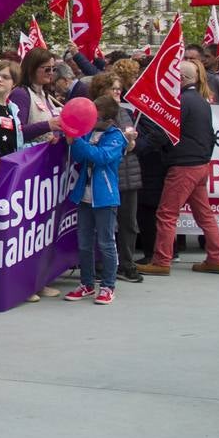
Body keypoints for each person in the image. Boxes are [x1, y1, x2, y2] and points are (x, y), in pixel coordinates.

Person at [138, 59, 219, 276]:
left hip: (183, 165)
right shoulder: (201, 101)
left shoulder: (180, 102)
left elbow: (163, 133)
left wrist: (138, 147)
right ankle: (217, 257)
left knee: (166, 213)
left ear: (180, 78)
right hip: (199, 163)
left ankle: (161, 260)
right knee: (204, 213)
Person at [64, 95, 127, 305]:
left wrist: (78, 139)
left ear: (108, 120)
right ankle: (87, 284)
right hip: (84, 195)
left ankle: (108, 286)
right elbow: (80, 157)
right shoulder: (88, 132)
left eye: (95, 118)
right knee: (84, 243)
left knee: (106, 243)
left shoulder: (116, 137)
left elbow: (100, 157)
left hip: (105, 198)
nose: (91, 121)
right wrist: (76, 140)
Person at [88, 72, 142, 283]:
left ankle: (127, 263)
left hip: (129, 173)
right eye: (114, 88)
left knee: (129, 222)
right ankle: (101, 264)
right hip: (106, 175)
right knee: (102, 224)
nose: (119, 92)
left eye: (120, 88)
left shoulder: (125, 112)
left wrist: (130, 142)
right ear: (102, 91)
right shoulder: (94, 112)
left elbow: (131, 146)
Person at [10, 48, 64, 144]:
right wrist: (47, 126)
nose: (51, 72)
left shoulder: (44, 93)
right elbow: (16, 133)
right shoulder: (20, 94)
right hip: (29, 156)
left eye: (53, 69)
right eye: (47, 69)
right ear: (32, 68)